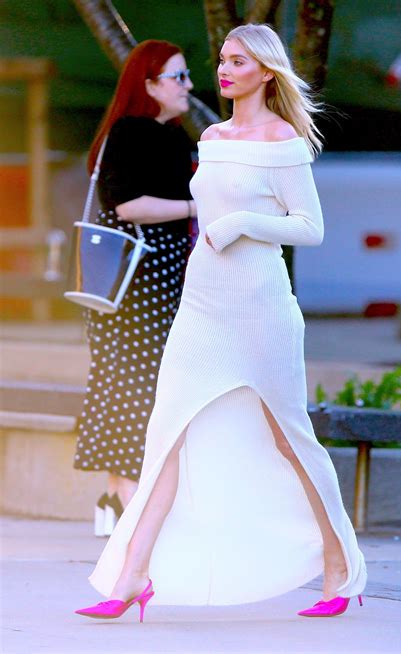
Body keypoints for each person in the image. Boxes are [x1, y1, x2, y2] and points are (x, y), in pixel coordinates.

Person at [75, 23, 367, 619]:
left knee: (290, 438)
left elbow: (310, 228)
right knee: (167, 435)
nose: (224, 70)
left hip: (259, 305)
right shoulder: (209, 137)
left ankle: (340, 567)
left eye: (239, 61)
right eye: (223, 59)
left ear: (265, 71)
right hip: (201, 308)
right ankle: (131, 576)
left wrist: (241, 225)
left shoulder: (283, 139)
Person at [73, 40, 197, 536]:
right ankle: (128, 503)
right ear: (148, 85)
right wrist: (195, 209)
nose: (188, 86)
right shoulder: (132, 133)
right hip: (132, 286)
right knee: (134, 390)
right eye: (178, 77)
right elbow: (128, 207)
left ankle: (114, 496)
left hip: (154, 283)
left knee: (130, 389)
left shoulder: (172, 136)